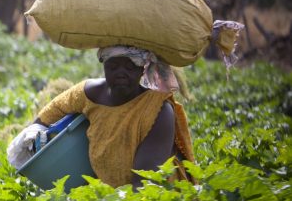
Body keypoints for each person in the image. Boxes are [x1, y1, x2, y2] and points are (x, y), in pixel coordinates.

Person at [10, 45, 195, 188]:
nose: (121, 73)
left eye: (130, 67)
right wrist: (33, 132)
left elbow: (145, 182)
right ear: (104, 66)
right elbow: (52, 111)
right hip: (110, 196)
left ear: (142, 70)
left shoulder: (158, 110)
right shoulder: (90, 93)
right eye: (114, 66)